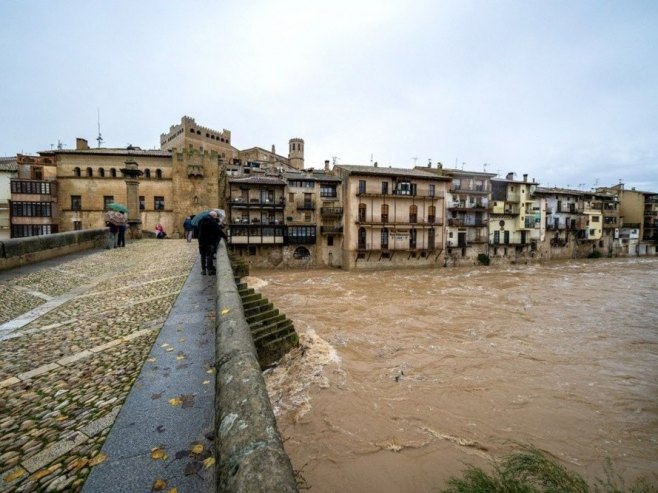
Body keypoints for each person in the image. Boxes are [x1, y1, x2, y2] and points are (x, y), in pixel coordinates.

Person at [197, 210, 227, 275]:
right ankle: (209, 270)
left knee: (203, 256)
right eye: (215, 217)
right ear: (213, 216)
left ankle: (203, 270)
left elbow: (198, 230)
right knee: (209, 255)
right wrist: (226, 238)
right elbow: (219, 231)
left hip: (201, 241)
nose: (216, 218)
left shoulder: (200, 221)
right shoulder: (212, 222)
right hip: (209, 241)